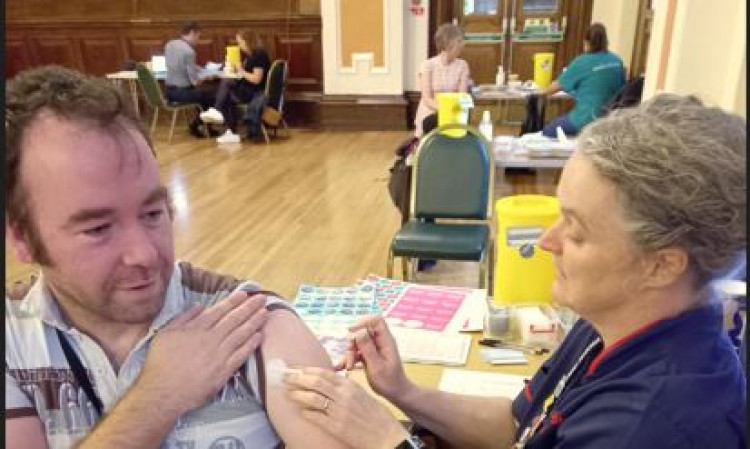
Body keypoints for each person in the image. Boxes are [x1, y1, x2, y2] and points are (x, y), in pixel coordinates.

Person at [284, 93, 747, 448]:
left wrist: (384, 438)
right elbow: (517, 424)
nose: (547, 242)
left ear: (661, 265)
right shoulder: (613, 322)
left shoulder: (646, 427)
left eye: (577, 231)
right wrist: (403, 392)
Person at [5, 65, 347, 449]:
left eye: (153, 214)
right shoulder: (12, 340)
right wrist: (158, 397)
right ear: (22, 239)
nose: (145, 255)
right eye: (98, 229)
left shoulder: (248, 322)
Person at [539, 22, 625, 138]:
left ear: (586, 42)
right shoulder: (617, 61)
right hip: (610, 119)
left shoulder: (582, 62)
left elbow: (553, 89)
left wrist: (538, 93)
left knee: (549, 130)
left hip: (587, 118)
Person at [200, 29, 271, 144]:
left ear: (247, 41)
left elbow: (256, 79)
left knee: (226, 86)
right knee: (226, 94)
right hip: (249, 89)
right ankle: (230, 130)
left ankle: (220, 115)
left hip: (255, 92)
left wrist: (241, 70)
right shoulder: (252, 55)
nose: (239, 45)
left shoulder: (259, 55)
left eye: (240, 42)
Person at [164, 20, 220, 138]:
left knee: (203, 93)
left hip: (169, 91)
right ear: (192, 33)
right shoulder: (189, 51)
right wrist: (208, 76)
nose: (198, 40)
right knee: (212, 94)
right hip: (182, 92)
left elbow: (186, 67)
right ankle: (197, 126)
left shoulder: (170, 44)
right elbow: (195, 82)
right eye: (198, 36)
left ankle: (203, 126)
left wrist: (202, 71)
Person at [413, 23, 470, 139]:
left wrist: (452, 113)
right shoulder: (428, 65)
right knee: (431, 125)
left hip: (454, 113)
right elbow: (427, 99)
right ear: (448, 43)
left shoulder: (463, 65)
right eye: (459, 41)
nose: (463, 44)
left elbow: (462, 96)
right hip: (431, 111)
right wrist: (445, 111)